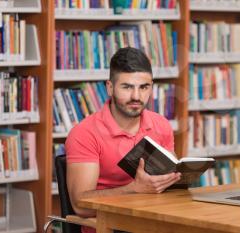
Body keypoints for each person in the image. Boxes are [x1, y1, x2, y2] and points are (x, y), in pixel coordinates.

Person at [65, 47, 181, 233]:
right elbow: (80, 205)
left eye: (144, 87)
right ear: (110, 87)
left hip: (153, 222)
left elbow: (170, 184)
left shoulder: (161, 125)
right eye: (127, 87)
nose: (136, 96)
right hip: (108, 227)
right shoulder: (84, 133)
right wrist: (134, 188)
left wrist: (177, 178)